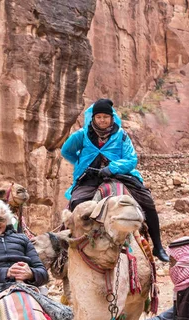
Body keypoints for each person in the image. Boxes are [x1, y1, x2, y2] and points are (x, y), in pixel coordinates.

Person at [61, 98, 168, 262]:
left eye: (105, 117)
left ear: (111, 118)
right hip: (90, 178)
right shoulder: (81, 135)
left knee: (147, 201)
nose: (102, 120)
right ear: (93, 118)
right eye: (98, 117)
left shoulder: (121, 135)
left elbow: (131, 159)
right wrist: (81, 163)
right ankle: (69, 248)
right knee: (76, 203)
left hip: (118, 176)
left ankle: (158, 246)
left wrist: (112, 168)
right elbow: (66, 151)